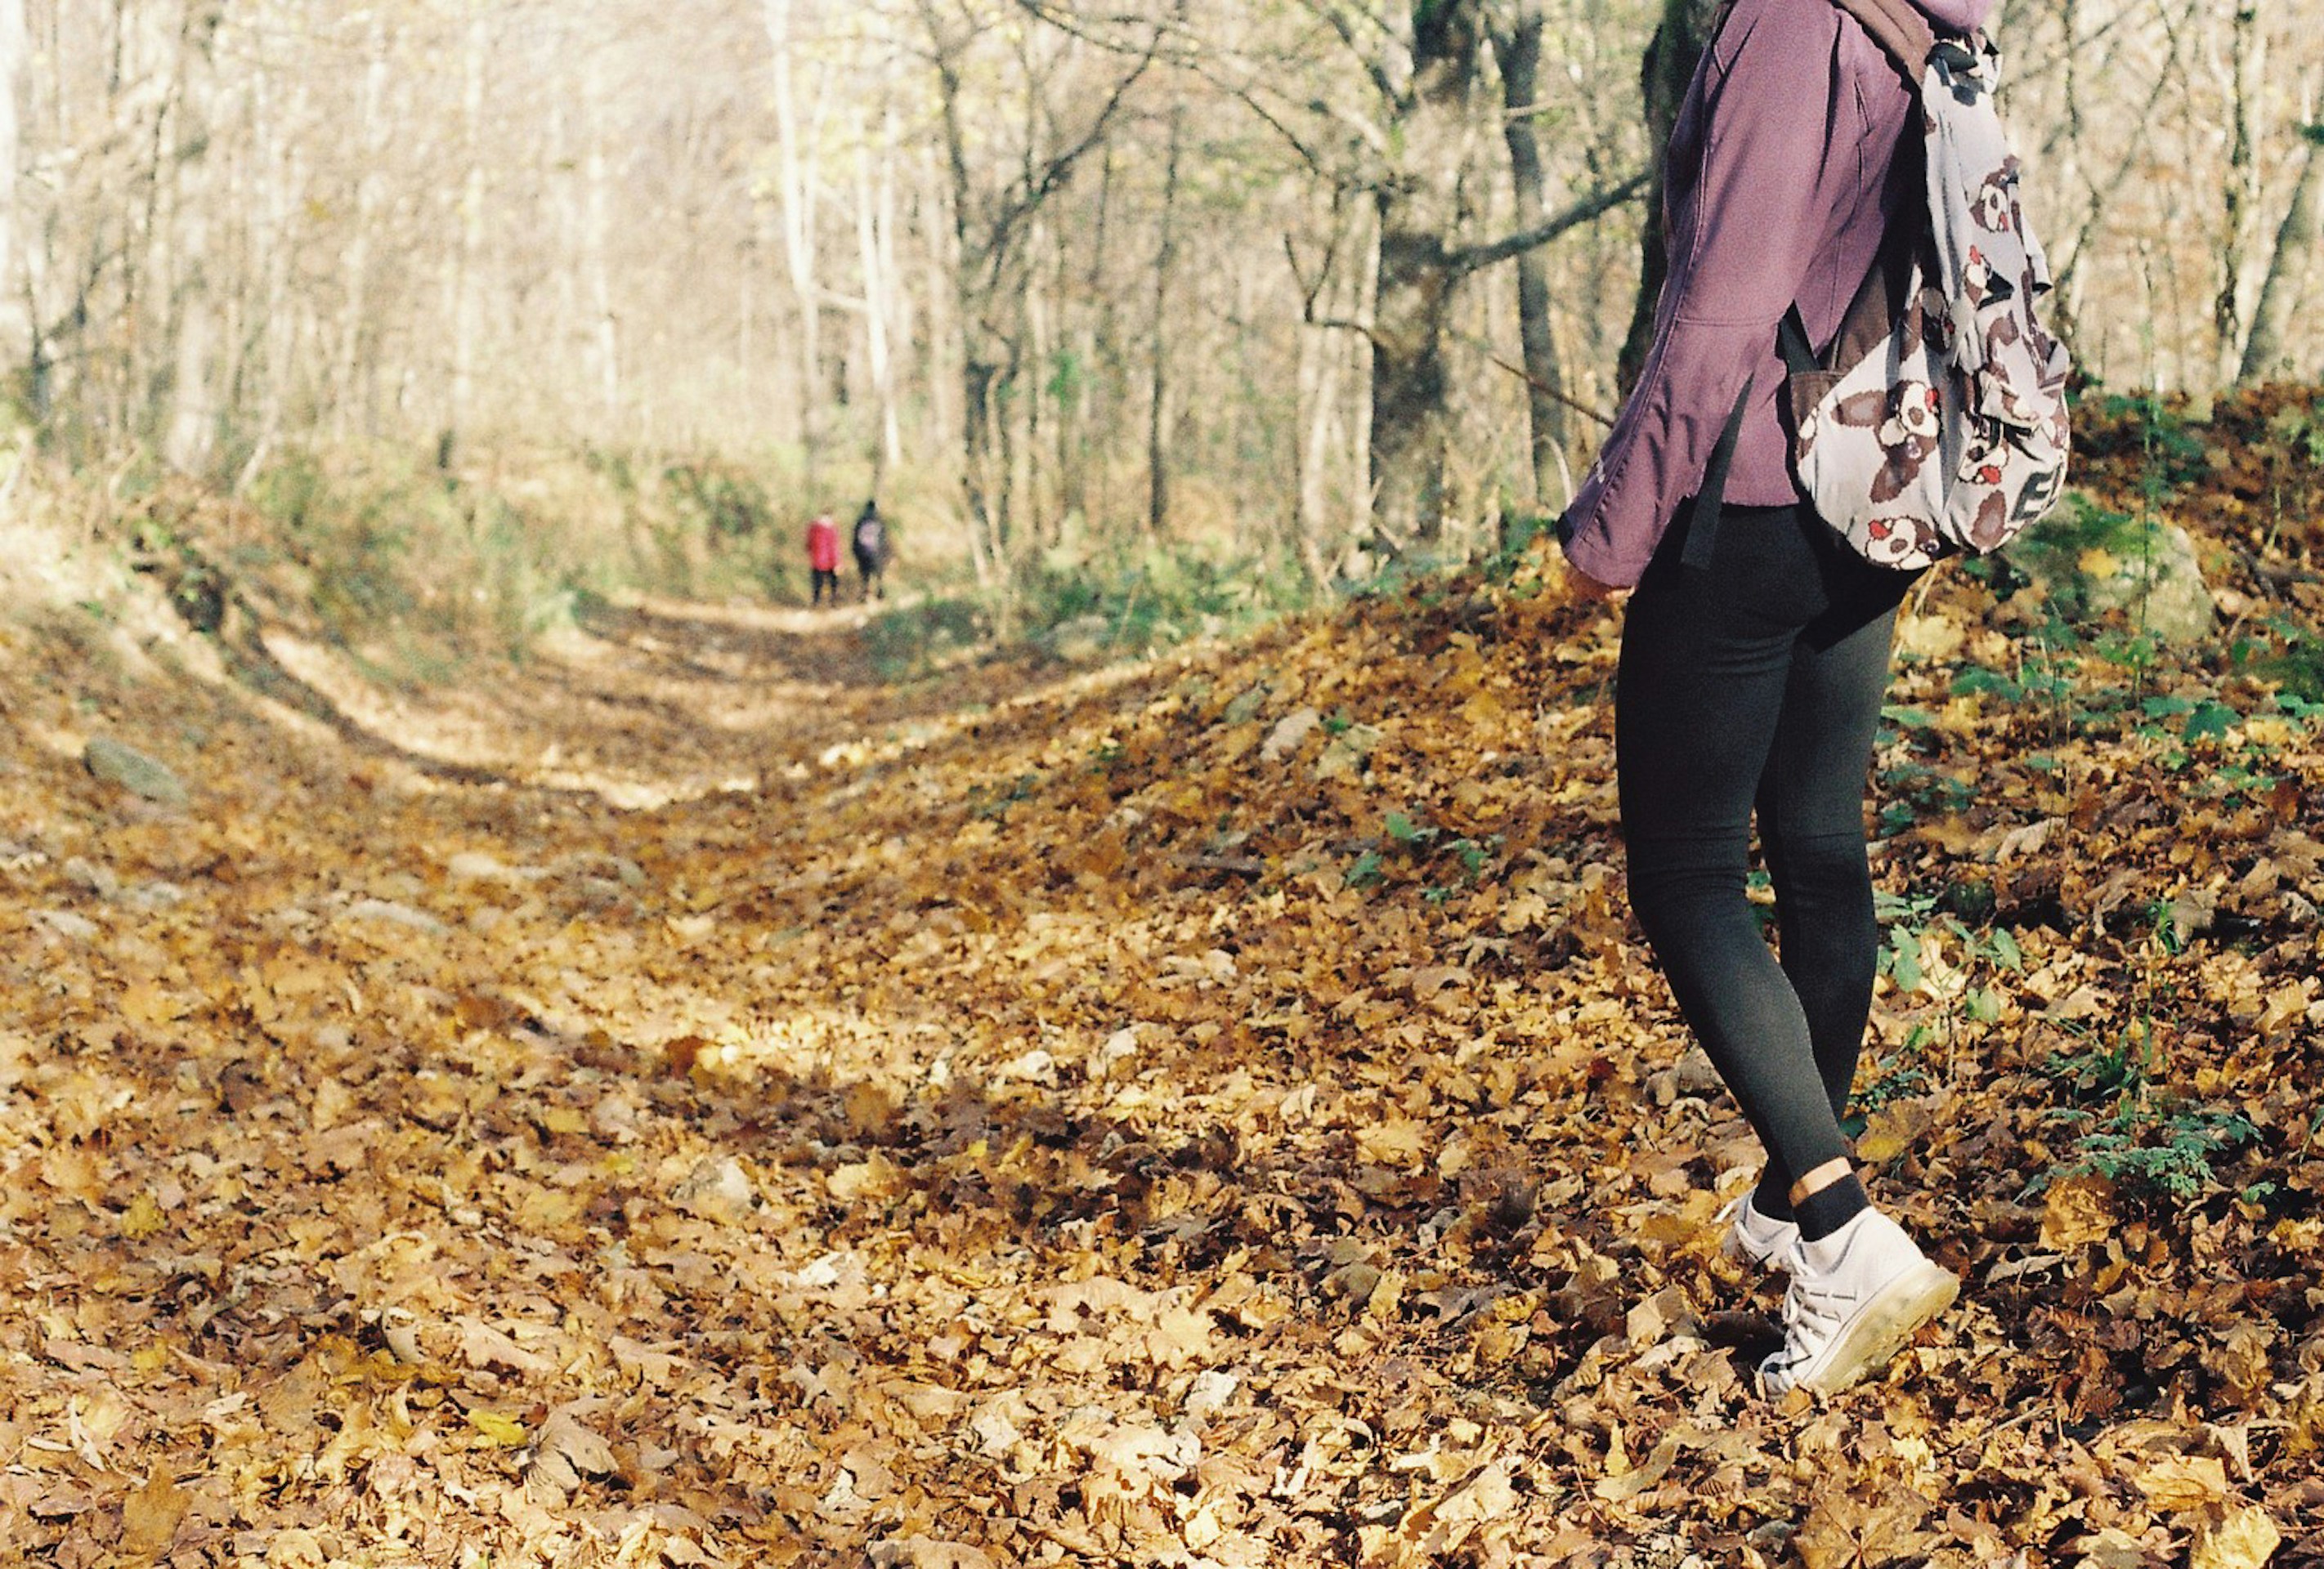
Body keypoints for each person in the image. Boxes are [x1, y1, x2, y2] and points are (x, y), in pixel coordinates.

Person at [1556, 0, 1980, 1396]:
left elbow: (1723, 305)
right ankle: (1805, 1207)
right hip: (1874, 480)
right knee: (1811, 847)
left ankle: (1843, 1233)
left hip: (1750, 495)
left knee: (1684, 873)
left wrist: (1611, 528)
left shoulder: (1793, 20)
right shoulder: (1918, 19)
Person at [851, 499, 889, 602]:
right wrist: (885, 553)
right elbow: (883, 539)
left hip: (862, 551)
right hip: (876, 551)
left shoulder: (861, 520)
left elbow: (855, 538)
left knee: (864, 575)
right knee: (878, 574)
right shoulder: (879, 520)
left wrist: (855, 552)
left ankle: (864, 595)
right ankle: (880, 593)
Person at [806, 510, 841, 607]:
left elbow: (808, 545)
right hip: (830, 561)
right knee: (833, 582)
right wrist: (837, 562)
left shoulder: (813, 528)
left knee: (817, 583)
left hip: (817, 561)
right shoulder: (832, 529)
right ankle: (833, 602)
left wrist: (812, 555)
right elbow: (834, 547)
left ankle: (816, 602)